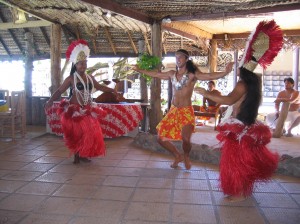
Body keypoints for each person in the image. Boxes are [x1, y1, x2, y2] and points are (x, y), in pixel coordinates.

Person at [195, 20, 282, 202]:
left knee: (236, 163)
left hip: (240, 129)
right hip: (246, 125)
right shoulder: (254, 86)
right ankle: (242, 191)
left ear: (243, 72)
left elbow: (228, 100)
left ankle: (240, 193)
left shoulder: (242, 85)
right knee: (242, 161)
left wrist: (205, 92)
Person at [133, 49, 234, 170]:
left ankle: (186, 155)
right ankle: (177, 155)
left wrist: (225, 72)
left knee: (186, 138)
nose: (177, 60)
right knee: (160, 138)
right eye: (176, 57)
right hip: (173, 111)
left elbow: (209, 76)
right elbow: (156, 74)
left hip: (186, 111)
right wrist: (139, 70)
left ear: (186, 59)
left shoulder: (192, 75)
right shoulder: (171, 74)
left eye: (180, 57)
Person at [44, 39, 117, 164]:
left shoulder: (90, 77)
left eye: (85, 63)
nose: (83, 66)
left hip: (87, 109)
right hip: (75, 110)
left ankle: (83, 154)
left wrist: (112, 90)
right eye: (80, 64)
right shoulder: (71, 78)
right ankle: (77, 155)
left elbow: (99, 87)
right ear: (75, 65)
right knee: (77, 134)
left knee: (89, 134)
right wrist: (50, 100)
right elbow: (60, 90)